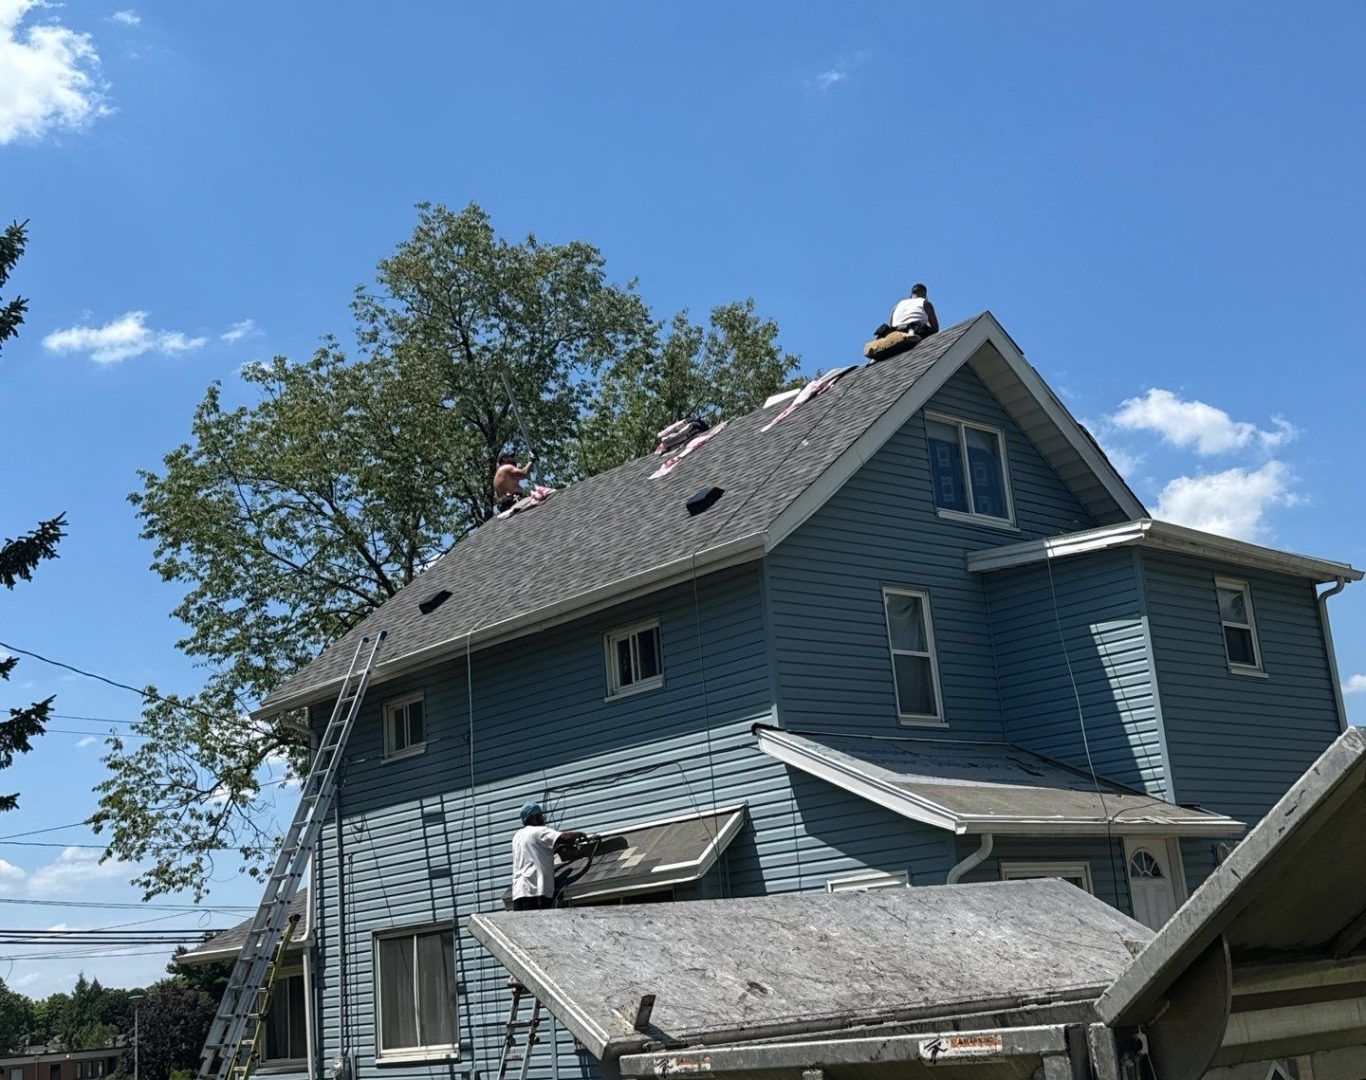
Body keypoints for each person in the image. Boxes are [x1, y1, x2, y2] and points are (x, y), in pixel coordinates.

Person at [510, 802, 587, 910]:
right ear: (533, 817)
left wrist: (555, 849)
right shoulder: (539, 831)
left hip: (519, 893)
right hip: (535, 891)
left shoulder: (517, 836)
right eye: (540, 815)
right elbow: (565, 838)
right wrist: (579, 834)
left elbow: (536, 853)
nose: (543, 818)